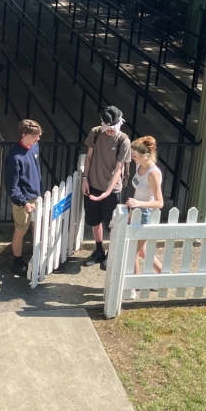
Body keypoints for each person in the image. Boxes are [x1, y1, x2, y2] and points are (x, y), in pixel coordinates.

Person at [81, 106, 132, 269]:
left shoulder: (124, 141)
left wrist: (108, 192)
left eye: (113, 128)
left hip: (112, 190)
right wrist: (85, 179)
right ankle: (99, 250)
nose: (110, 131)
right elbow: (89, 157)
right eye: (107, 127)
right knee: (94, 221)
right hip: (93, 185)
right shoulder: (95, 133)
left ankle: (111, 253)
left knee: (111, 224)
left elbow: (119, 169)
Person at [124, 136, 164, 298]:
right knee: (142, 252)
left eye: (134, 155)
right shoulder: (139, 165)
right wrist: (133, 210)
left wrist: (138, 204)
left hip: (145, 213)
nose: (132, 157)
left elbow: (159, 203)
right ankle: (165, 275)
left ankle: (132, 287)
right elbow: (139, 191)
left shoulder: (153, 173)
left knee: (133, 252)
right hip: (136, 212)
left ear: (145, 155)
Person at [4, 119, 43, 277]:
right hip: (24, 200)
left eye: (38, 136)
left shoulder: (34, 147)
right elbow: (12, 187)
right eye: (34, 136)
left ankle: (38, 258)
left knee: (37, 229)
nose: (37, 139)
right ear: (24, 135)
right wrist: (23, 203)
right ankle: (17, 262)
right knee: (20, 231)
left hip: (36, 197)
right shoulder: (15, 157)